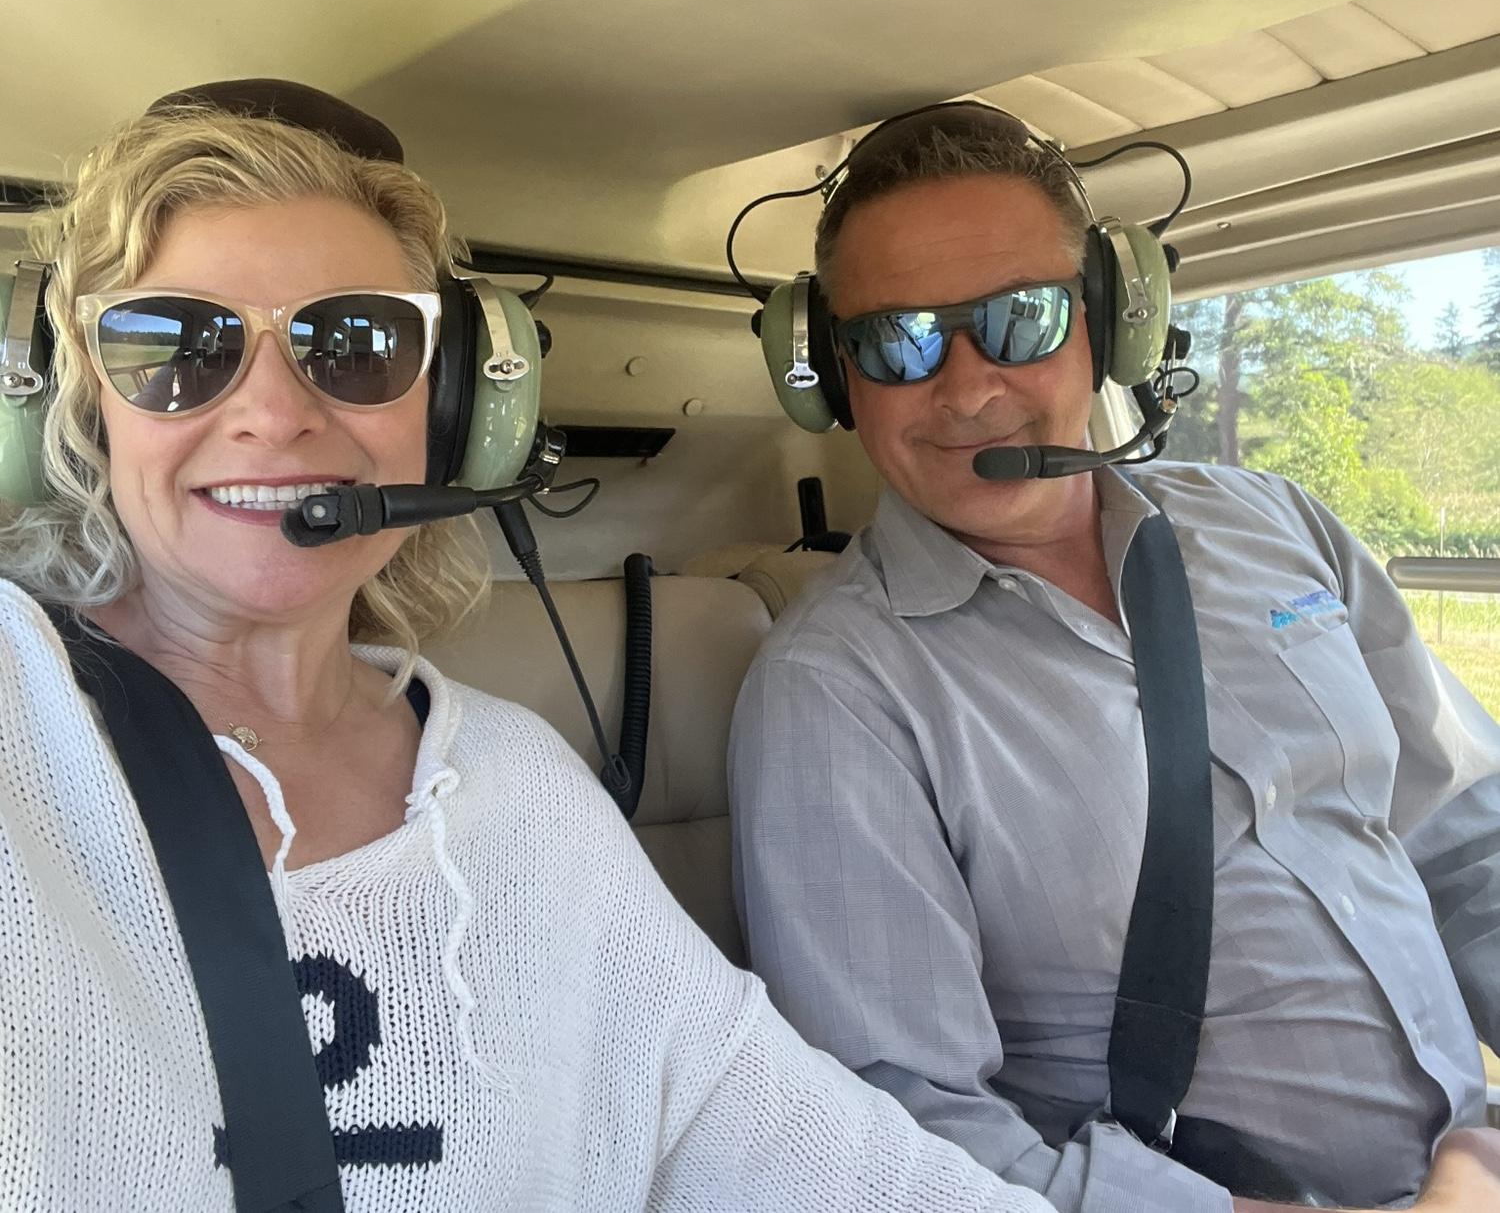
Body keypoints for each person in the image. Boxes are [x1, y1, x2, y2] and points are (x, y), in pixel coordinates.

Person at [0, 83, 1059, 1213]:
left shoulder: (521, 791)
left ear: (449, 403)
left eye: (354, 343)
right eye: (177, 344)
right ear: (87, 397)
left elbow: (834, 1167)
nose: (272, 413)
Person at [728, 102, 1500, 1213]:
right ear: (833, 378)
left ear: (1108, 323)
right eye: (895, 340)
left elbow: (1464, 836)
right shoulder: (837, 693)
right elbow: (900, 1125)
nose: (963, 386)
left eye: (1018, 319)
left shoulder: (1277, 524)